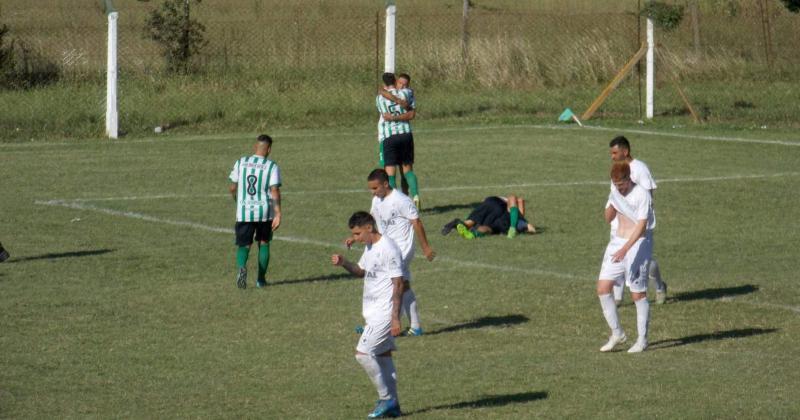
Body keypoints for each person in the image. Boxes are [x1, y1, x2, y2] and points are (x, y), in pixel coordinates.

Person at [332, 211, 404, 418]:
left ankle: (386, 398)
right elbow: (361, 271)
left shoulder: (388, 248)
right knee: (382, 356)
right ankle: (395, 406)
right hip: (372, 313)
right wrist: (344, 262)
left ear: (369, 228)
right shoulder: (370, 247)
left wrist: (395, 317)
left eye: (357, 234)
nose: (355, 239)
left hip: (384, 313)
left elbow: (398, 283)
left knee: (362, 354)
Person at [349, 168, 435, 336]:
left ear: (385, 184)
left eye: (375, 188)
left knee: (391, 284)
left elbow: (416, 222)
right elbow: (370, 222)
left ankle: (386, 326)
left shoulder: (401, 200)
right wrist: (356, 237)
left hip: (401, 248)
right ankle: (412, 327)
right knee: (403, 285)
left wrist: (425, 247)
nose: (373, 192)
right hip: (385, 246)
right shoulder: (376, 201)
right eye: (371, 189)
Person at [597, 162, 654, 353]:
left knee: (637, 293)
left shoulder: (641, 194)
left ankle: (642, 339)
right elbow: (608, 218)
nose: (619, 188)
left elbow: (642, 226)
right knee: (603, 288)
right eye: (615, 184)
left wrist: (626, 248)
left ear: (629, 179)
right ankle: (617, 333)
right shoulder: (615, 191)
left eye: (621, 185)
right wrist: (612, 202)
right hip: (617, 242)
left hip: (637, 244)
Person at [608, 135, 667, 305]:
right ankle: (617, 297)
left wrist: (642, 220)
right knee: (617, 258)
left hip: (639, 225)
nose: (612, 156)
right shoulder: (617, 170)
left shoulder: (640, 168)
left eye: (615, 152)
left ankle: (659, 286)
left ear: (625, 151)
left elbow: (648, 195)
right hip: (619, 226)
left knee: (643, 261)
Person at [228, 134, 282, 289]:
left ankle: (241, 268)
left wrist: (235, 197)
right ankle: (260, 280)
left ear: (254, 147)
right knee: (264, 243)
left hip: (244, 211)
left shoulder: (241, 162)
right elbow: (274, 190)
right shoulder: (271, 166)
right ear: (269, 149)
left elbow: (232, 187)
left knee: (244, 245)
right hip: (264, 212)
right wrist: (278, 213)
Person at [376, 72, 422, 210]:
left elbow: (382, 94)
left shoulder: (379, 98)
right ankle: (415, 196)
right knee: (408, 170)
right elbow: (411, 112)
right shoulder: (407, 93)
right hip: (406, 135)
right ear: (395, 81)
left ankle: (395, 204)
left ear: (384, 83)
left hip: (389, 136)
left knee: (390, 172)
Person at [442, 195, 536, 239]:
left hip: (492, 203)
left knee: (482, 225)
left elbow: (517, 200)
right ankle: (472, 234)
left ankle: (466, 228)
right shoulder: (519, 220)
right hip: (504, 221)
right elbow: (518, 200)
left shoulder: (495, 200)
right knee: (489, 229)